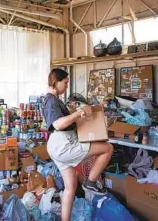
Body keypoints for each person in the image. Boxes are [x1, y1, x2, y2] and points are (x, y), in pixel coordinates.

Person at [42, 68, 113, 221]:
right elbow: (58, 124)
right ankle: (91, 182)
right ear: (56, 81)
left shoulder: (55, 99)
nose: (67, 86)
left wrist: (73, 112)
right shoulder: (51, 100)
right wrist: (78, 113)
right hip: (64, 146)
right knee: (107, 148)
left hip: (57, 146)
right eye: (65, 83)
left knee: (70, 187)